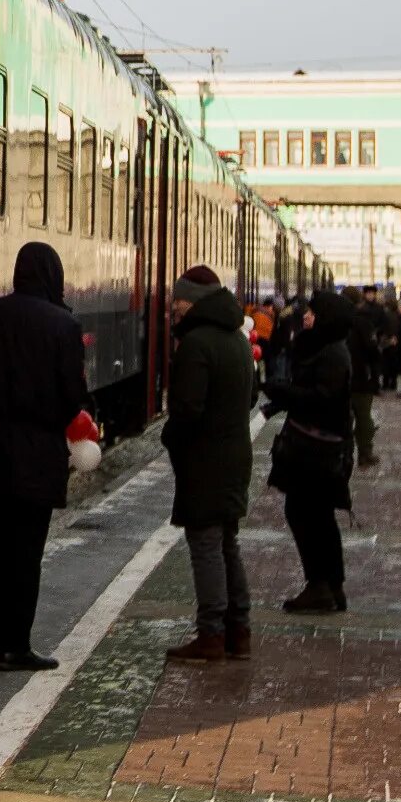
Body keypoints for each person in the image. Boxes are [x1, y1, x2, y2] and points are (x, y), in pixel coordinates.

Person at [0, 241, 93, 671]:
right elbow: (73, 397)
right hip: (38, 452)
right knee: (26, 550)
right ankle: (17, 643)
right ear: (53, 275)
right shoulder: (63, 326)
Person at [158, 265, 257, 665]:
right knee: (226, 542)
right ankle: (240, 630)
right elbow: (249, 400)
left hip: (205, 460)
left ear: (193, 301)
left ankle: (212, 635)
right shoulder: (236, 339)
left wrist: (171, 438)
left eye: (178, 300)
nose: (174, 307)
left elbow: (187, 410)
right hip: (234, 456)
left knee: (205, 546)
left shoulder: (197, 344)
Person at [267, 287, 356, 615]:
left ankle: (320, 586)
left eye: (312, 312)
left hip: (317, 451)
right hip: (319, 447)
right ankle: (331, 586)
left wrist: (285, 393)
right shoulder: (326, 348)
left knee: (306, 515)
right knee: (316, 516)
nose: (305, 316)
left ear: (326, 318)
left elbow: (321, 399)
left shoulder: (332, 354)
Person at [346, 286, 383, 470]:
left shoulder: (333, 318)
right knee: (363, 417)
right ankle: (365, 453)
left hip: (338, 376)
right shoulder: (363, 320)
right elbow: (372, 348)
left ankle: (343, 454)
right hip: (360, 375)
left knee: (341, 417)